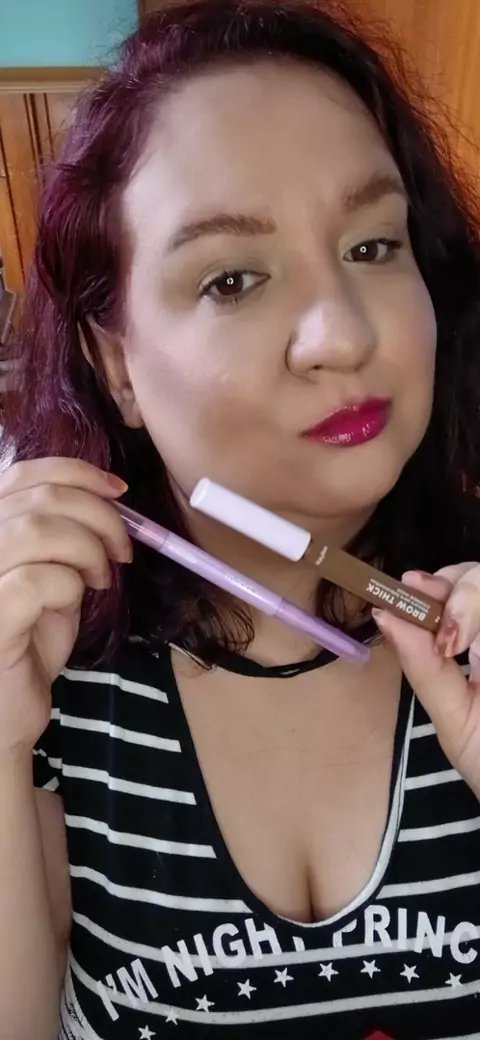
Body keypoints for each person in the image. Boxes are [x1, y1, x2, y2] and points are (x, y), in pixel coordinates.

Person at [1, 0, 480, 1036]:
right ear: (116, 365)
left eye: (372, 245)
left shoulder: (470, 629)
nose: (342, 335)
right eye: (232, 278)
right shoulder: (50, 676)